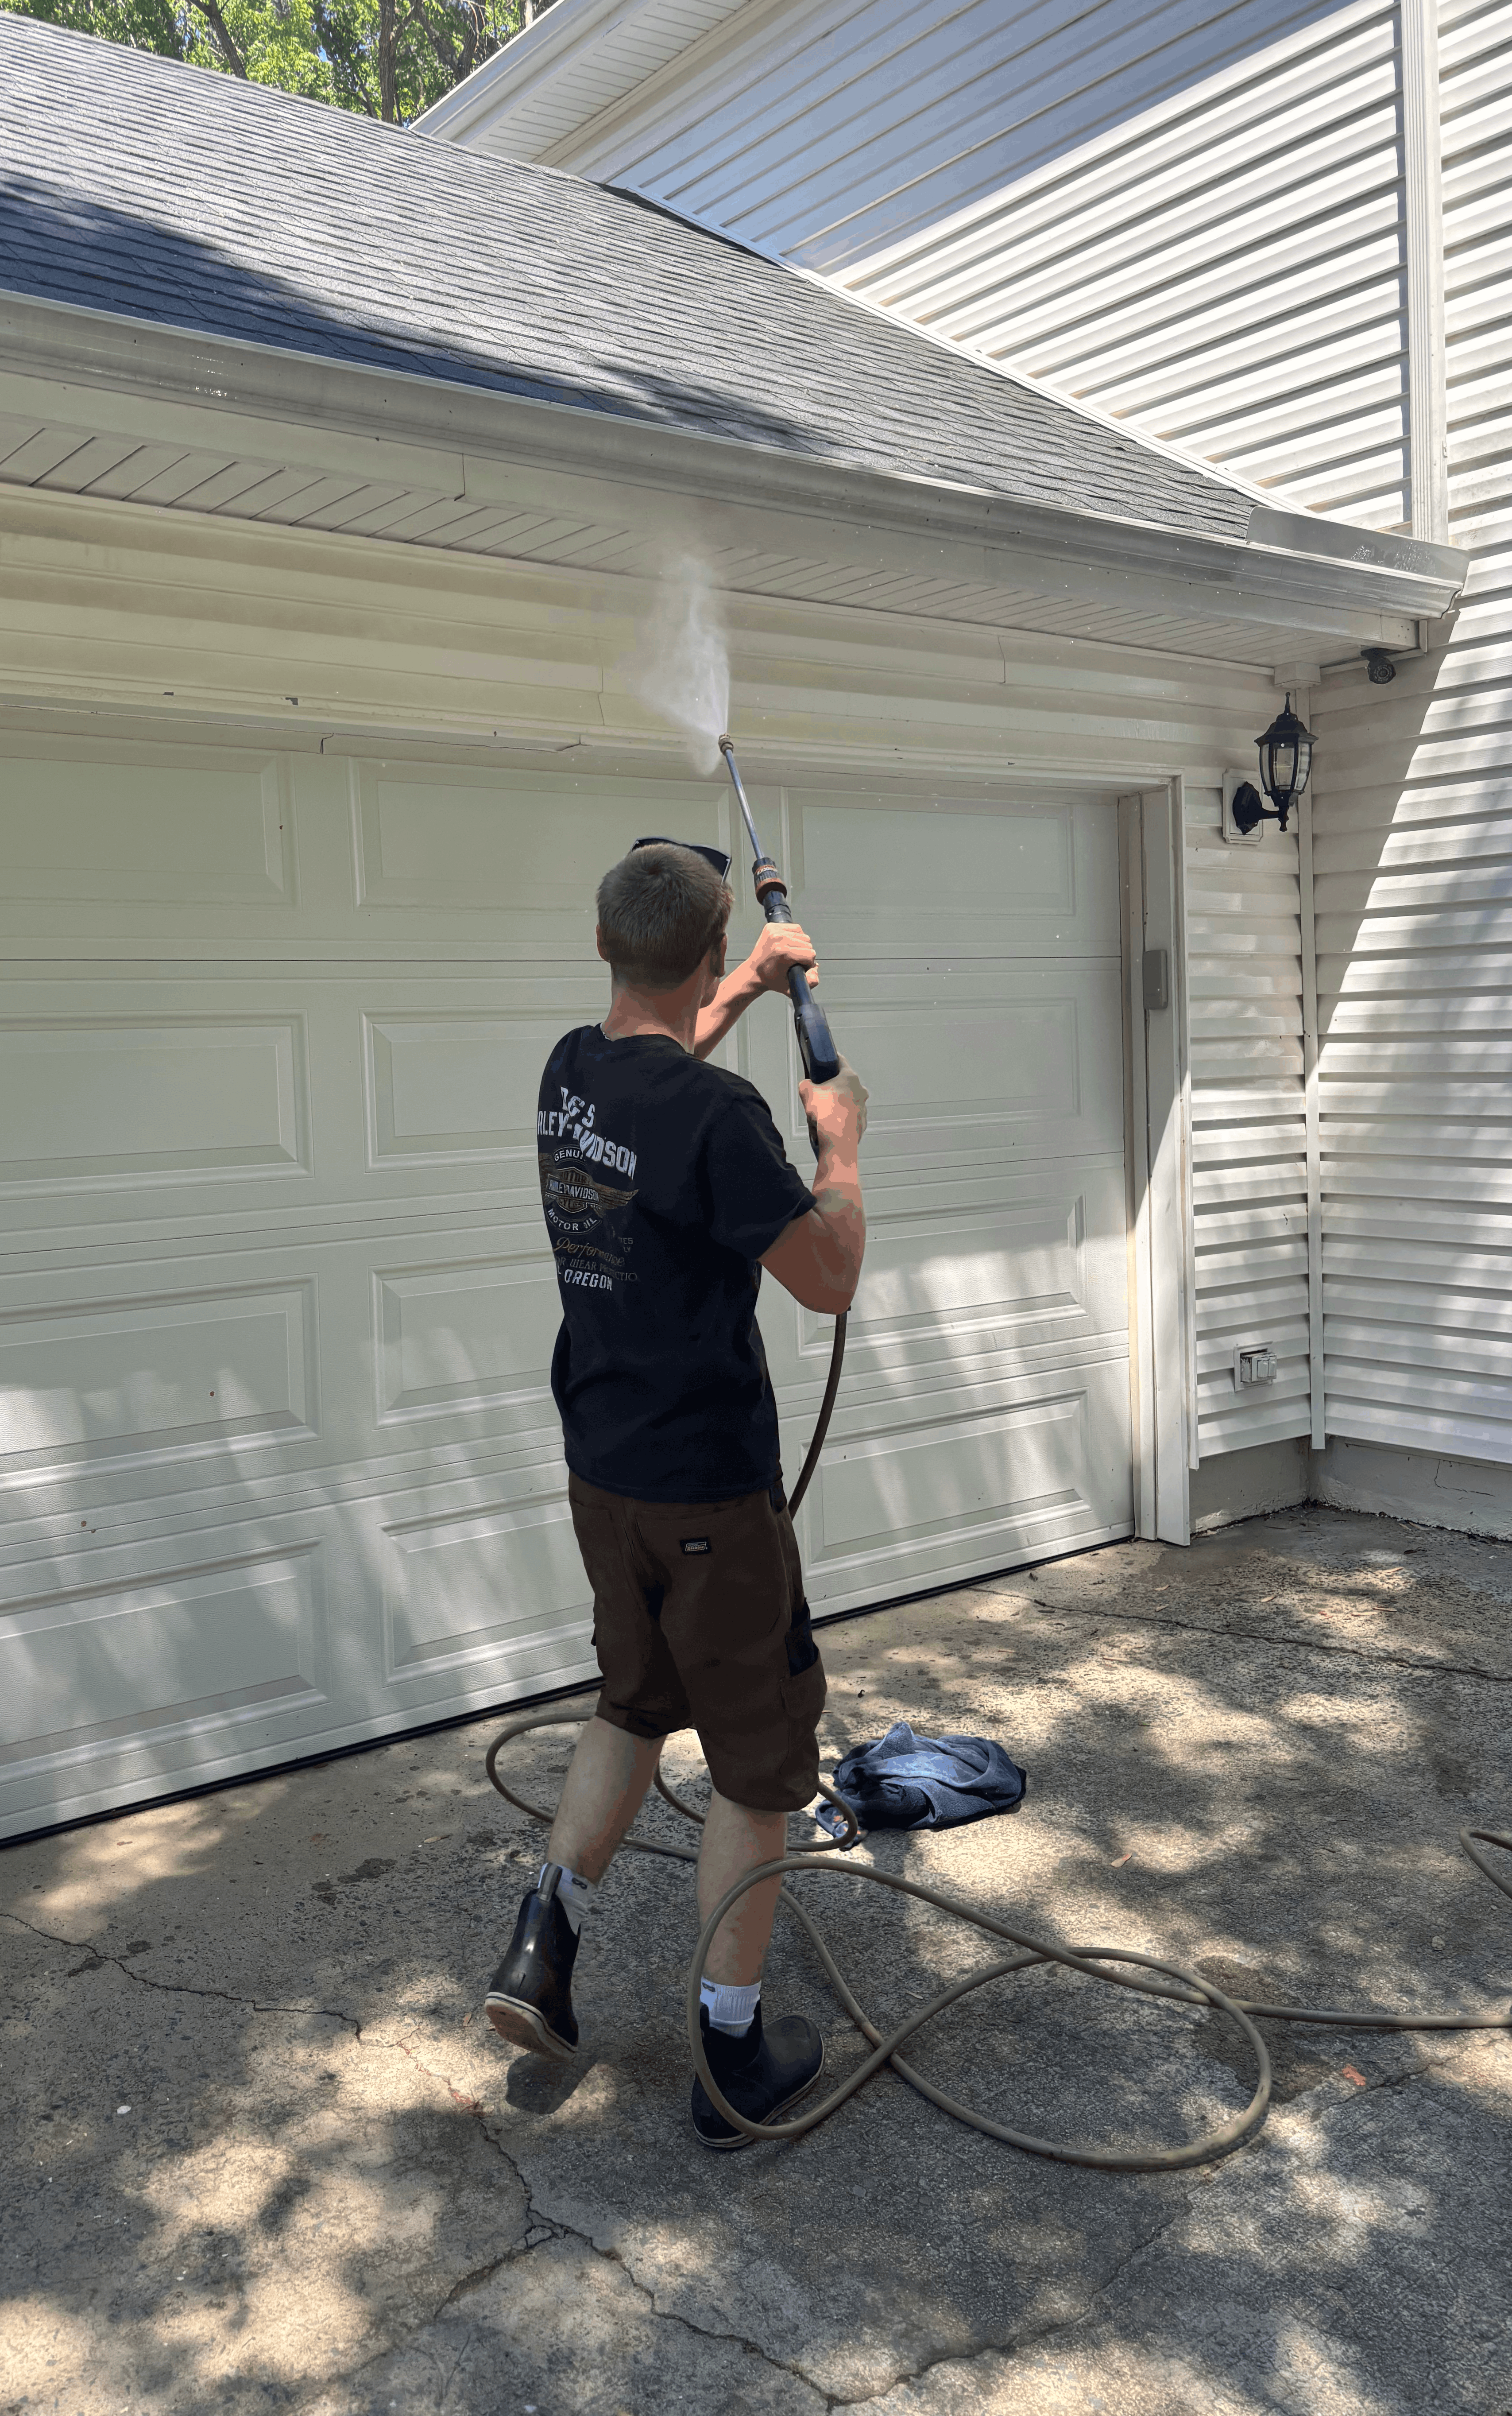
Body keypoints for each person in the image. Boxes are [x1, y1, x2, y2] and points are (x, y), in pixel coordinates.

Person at [483, 837, 869, 2147]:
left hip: (606, 1470)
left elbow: (661, 1056)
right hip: (709, 1487)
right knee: (758, 1768)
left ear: (608, 948)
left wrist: (751, 984)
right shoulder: (717, 1120)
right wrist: (840, 1153)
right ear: (700, 949)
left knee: (632, 1702)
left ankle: (541, 1947)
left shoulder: (571, 1072)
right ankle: (730, 2052)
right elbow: (824, 1277)